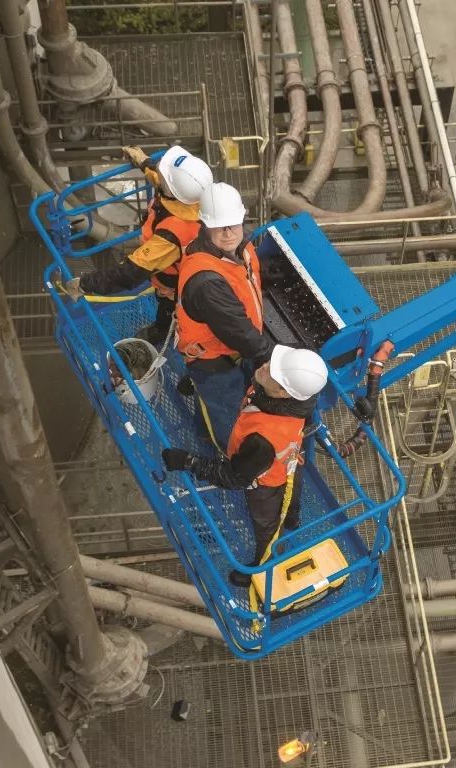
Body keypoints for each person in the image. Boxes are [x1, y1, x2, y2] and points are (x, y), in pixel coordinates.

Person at [161, 346, 329, 586]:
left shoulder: (262, 440)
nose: (265, 366)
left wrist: (188, 461)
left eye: (273, 370)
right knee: (294, 490)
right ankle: (292, 518)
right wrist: (198, 380)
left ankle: (264, 568)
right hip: (290, 458)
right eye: (273, 361)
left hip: (267, 483)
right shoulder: (295, 397)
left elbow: (234, 477)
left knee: (267, 527)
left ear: (283, 392)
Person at [62, 145, 213, 344]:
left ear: (171, 189)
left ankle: (162, 332)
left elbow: (129, 274)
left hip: (174, 284)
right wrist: (142, 160)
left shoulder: (172, 235)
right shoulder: (190, 196)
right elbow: (161, 178)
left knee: (168, 310)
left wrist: (84, 284)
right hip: (171, 268)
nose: (159, 168)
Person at [176, 182, 275, 449]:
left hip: (229, 352)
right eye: (220, 226)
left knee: (212, 402)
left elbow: (249, 277)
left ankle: (204, 432)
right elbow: (239, 333)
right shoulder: (207, 281)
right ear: (205, 225)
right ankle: (230, 456)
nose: (229, 232)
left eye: (234, 223)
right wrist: (278, 360)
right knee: (229, 416)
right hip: (215, 362)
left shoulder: (239, 247)